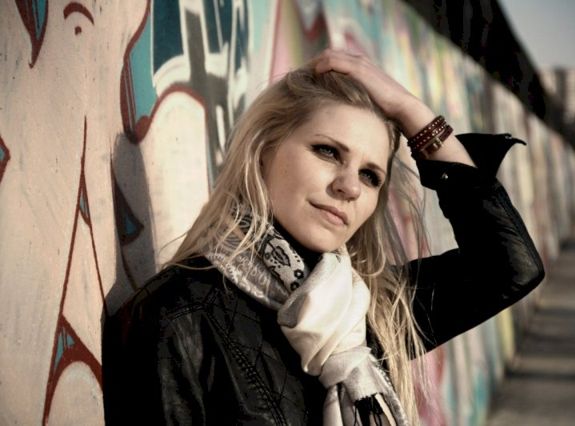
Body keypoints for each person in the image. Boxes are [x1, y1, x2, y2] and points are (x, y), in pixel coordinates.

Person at [103, 49, 545, 425]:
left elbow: (509, 268)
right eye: (328, 151)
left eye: (370, 176)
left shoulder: (362, 311)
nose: (349, 186)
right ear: (264, 150)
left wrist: (412, 112)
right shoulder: (177, 319)